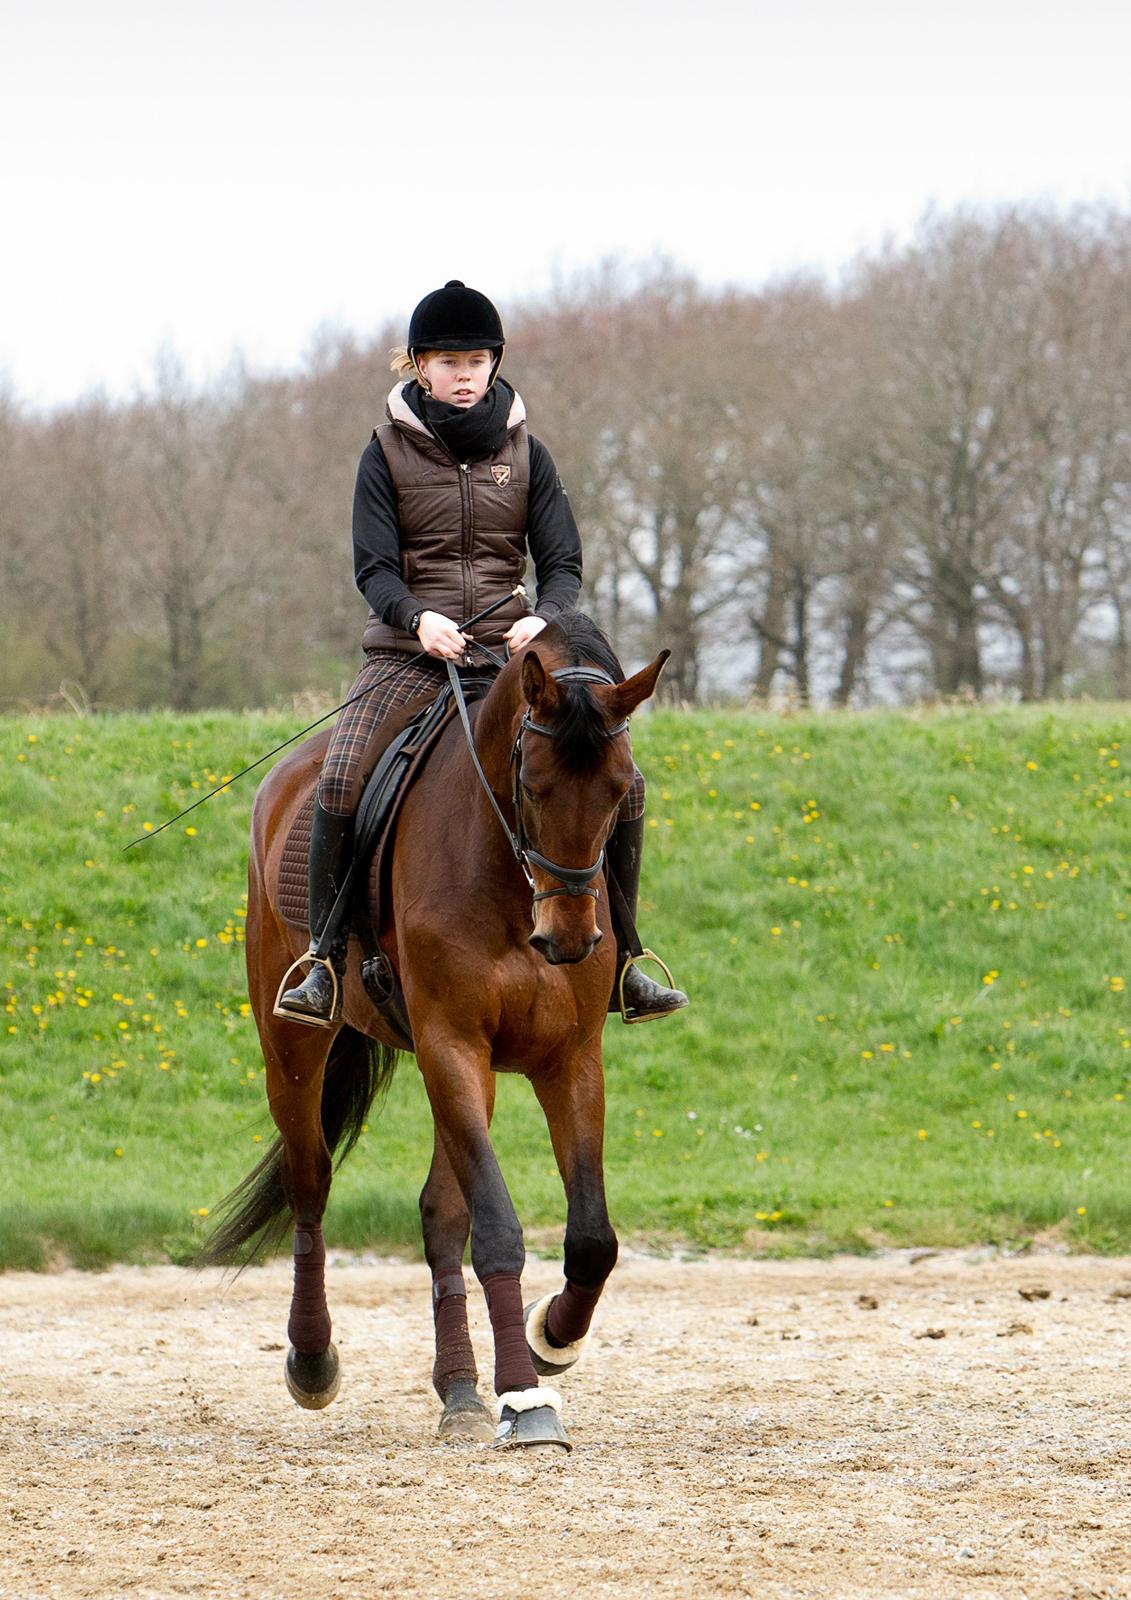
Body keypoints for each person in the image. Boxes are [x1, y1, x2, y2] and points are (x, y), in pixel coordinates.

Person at [277, 280, 687, 1028]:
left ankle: (628, 960)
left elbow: (561, 562)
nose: (464, 373)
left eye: (476, 359)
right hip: (409, 655)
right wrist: (416, 616)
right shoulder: (384, 454)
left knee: (623, 784)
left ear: (493, 365)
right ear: (417, 368)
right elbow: (372, 567)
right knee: (339, 775)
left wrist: (547, 618)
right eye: (447, 361)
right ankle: (321, 962)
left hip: (511, 663)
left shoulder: (528, 454)